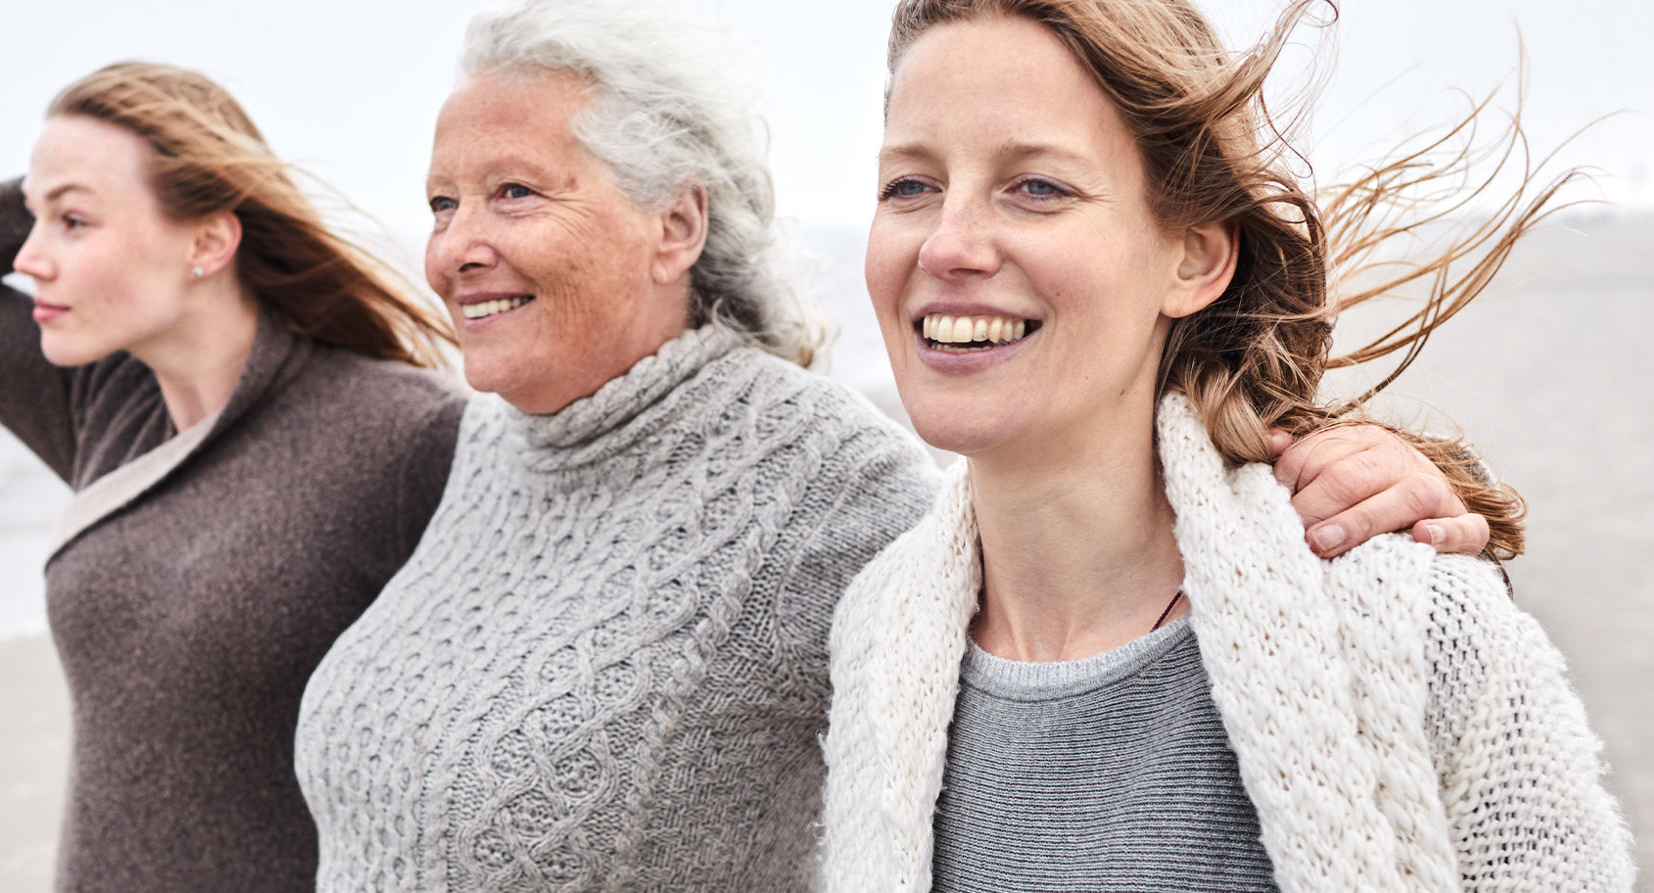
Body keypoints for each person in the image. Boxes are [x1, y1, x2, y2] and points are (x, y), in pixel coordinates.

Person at [287, 0, 1499, 888]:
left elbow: (1054, 527)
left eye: (513, 193)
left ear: (675, 223)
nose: (453, 245)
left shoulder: (811, 485)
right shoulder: (492, 448)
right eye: (442, 203)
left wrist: (1339, 479)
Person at [811, 0, 1635, 889]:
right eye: (910, 186)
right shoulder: (876, 642)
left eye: (1037, 186)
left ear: (1194, 258)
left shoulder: (1403, 622)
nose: (948, 243)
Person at [0, 61, 470, 892]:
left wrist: (154, 165)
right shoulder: (103, 401)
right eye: (32, 221)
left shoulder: (402, 432)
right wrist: (63, 176)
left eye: (73, 224)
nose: (27, 258)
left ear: (207, 240)